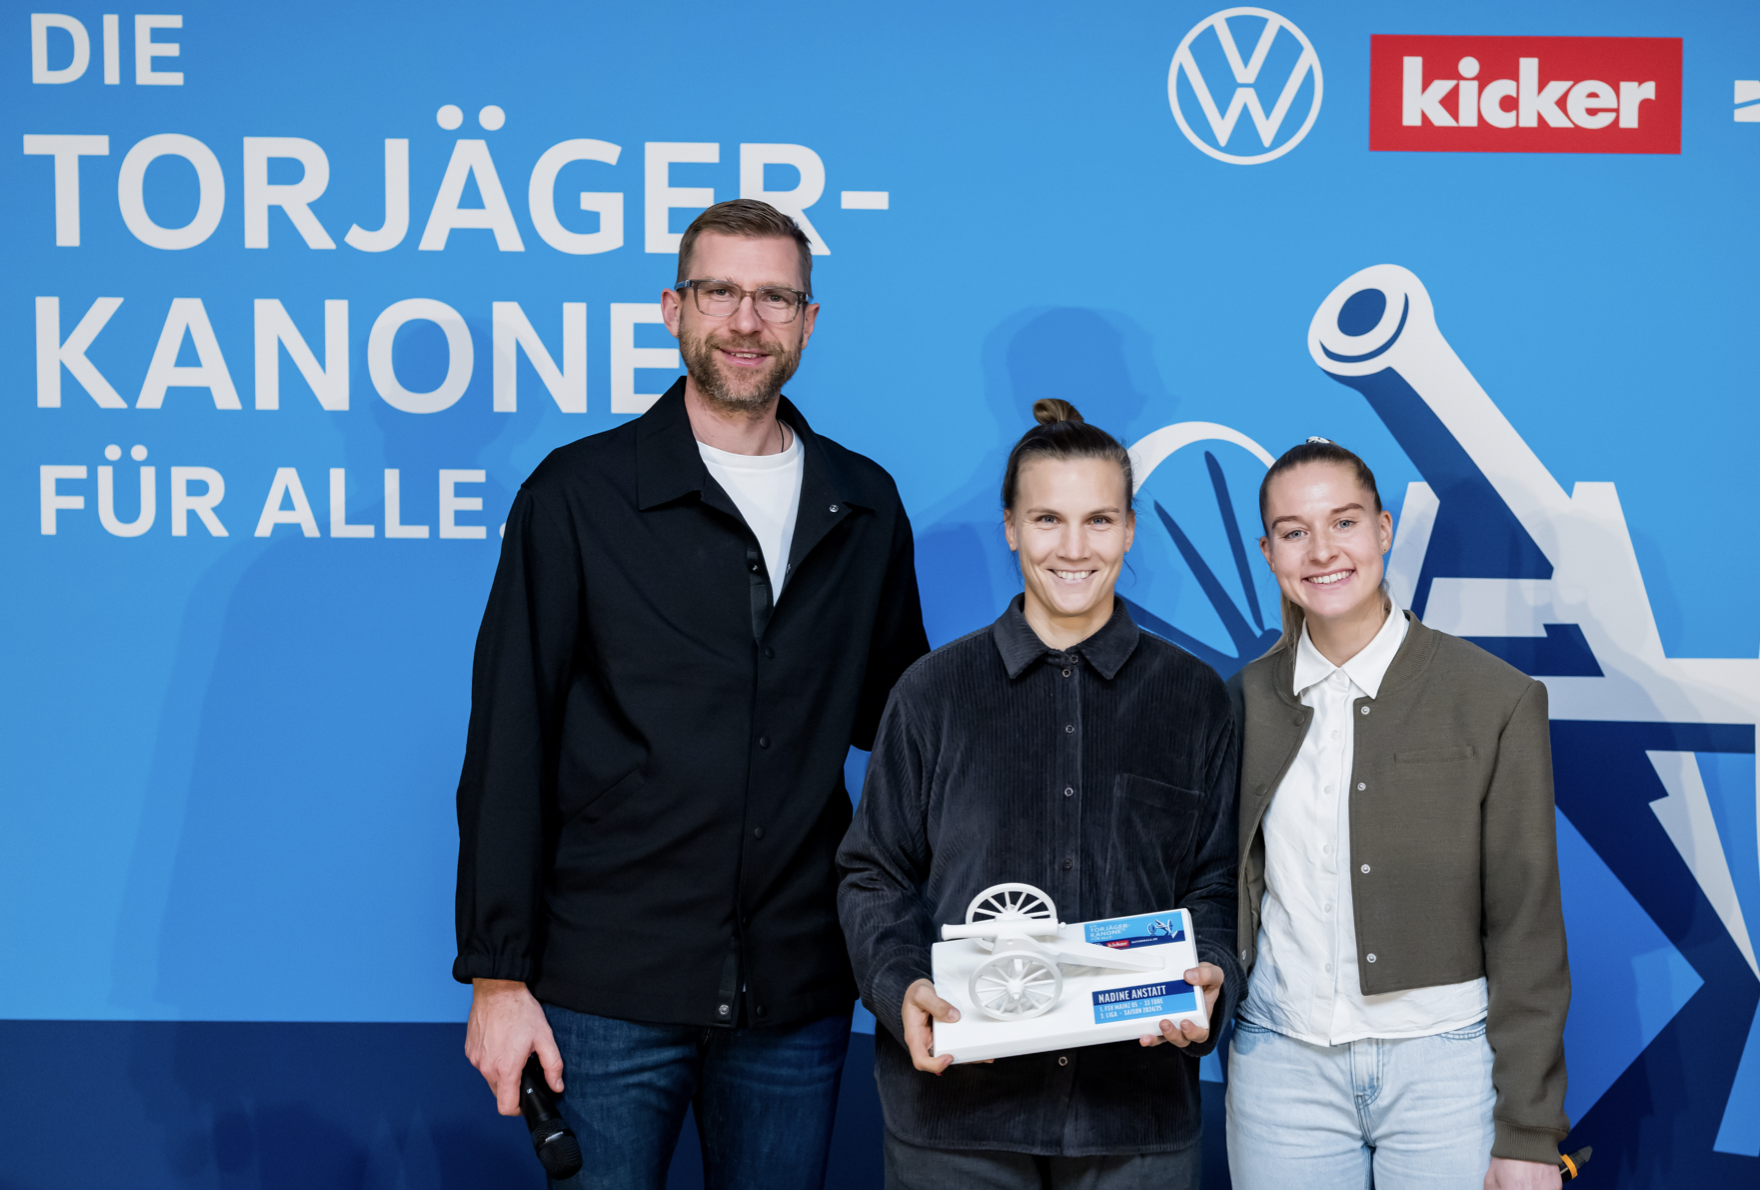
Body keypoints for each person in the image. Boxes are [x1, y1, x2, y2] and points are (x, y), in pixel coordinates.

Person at [453, 198, 930, 1190]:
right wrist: (497, 975)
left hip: (795, 987)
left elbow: (900, 731)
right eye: (719, 292)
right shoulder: (576, 496)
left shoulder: (864, 504)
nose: (746, 320)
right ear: (673, 309)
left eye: (775, 297)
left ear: (807, 321)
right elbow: (509, 740)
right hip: (606, 986)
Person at [837, 399, 1241, 1190]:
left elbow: (1218, 881)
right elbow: (873, 874)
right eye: (1048, 519)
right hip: (956, 1120)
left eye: (1099, 521)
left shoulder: (1194, 698)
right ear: (1011, 528)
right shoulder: (931, 693)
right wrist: (901, 986)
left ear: (1130, 530)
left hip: (1134, 1120)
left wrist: (1213, 969)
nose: (1074, 548)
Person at [1225, 438, 1570, 1190]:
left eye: (1344, 522)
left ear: (1383, 530)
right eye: (1294, 531)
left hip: (1444, 1069)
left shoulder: (1497, 698)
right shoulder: (1237, 703)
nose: (1322, 551)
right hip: (1280, 1066)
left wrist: (1530, 1130)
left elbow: (1528, 926)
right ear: (1269, 552)